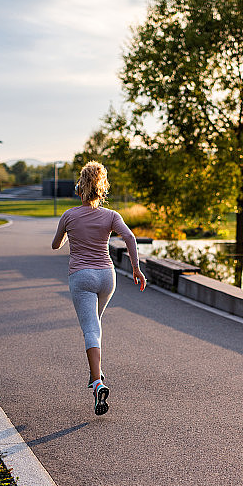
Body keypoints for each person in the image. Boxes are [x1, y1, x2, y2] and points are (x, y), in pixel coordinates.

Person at [51, 161, 147, 415]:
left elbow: (55, 245)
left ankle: (97, 382)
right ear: (101, 190)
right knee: (95, 324)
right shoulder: (111, 216)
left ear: (79, 189)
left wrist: (69, 235)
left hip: (82, 277)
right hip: (107, 276)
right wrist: (136, 268)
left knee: (90, 329)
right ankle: (97, 372)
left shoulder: (69, 215)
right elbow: (129, 237)